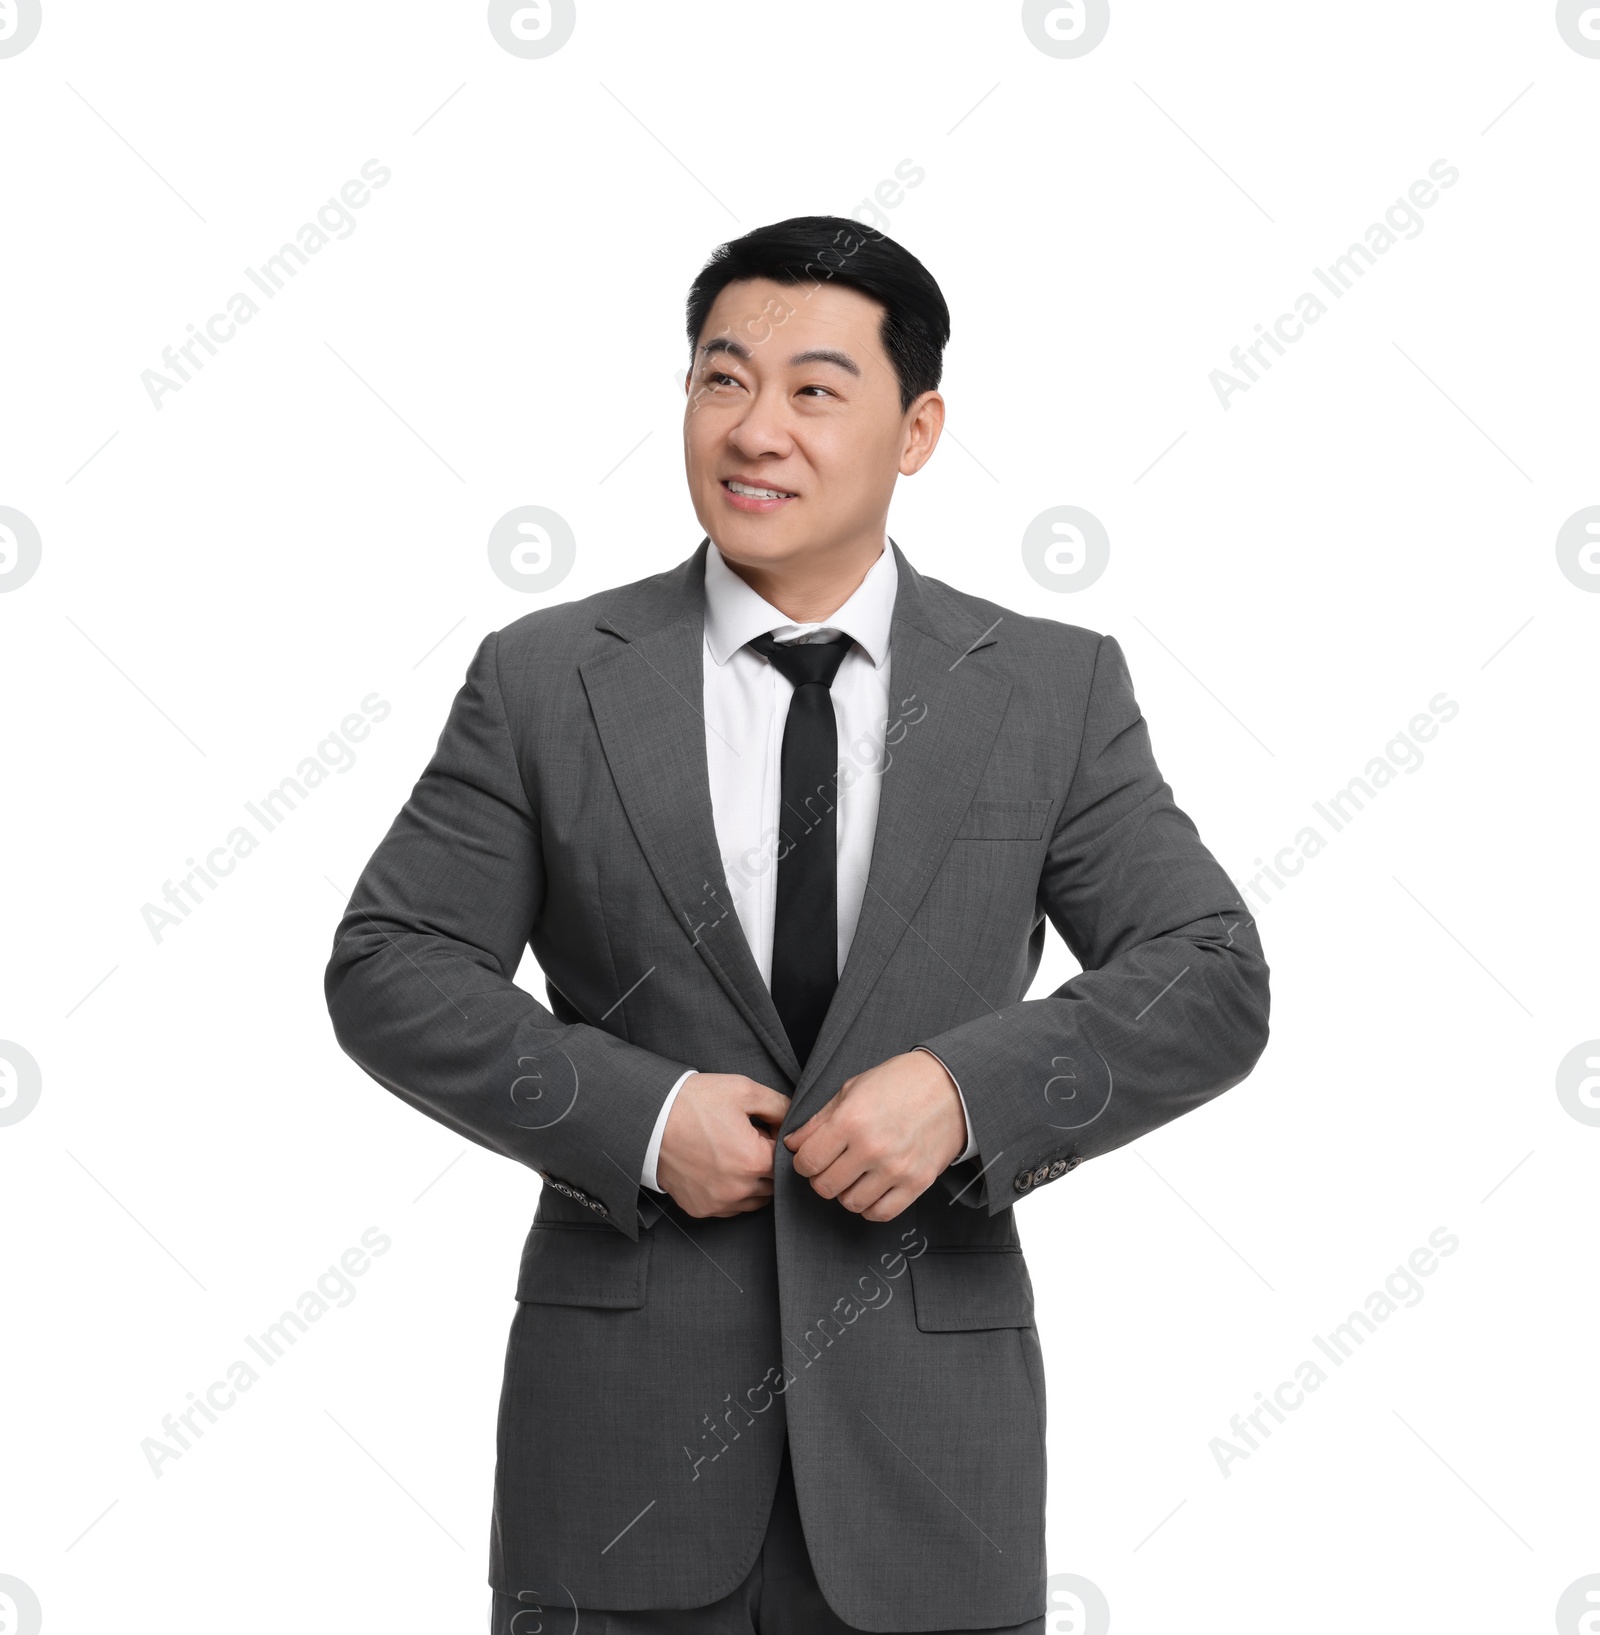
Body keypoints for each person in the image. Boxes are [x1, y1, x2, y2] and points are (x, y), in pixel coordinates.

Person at [324, 216, 1271, 1634]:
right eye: (722, 380)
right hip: (617, 1466)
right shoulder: (544, 681)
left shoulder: (1053, 692)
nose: (756, 430)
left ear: (918, 429)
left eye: (816, 391)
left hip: (932, 1472)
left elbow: (1207, 976)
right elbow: (392, 964)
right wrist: (641, 1121)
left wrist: (964, 1095)